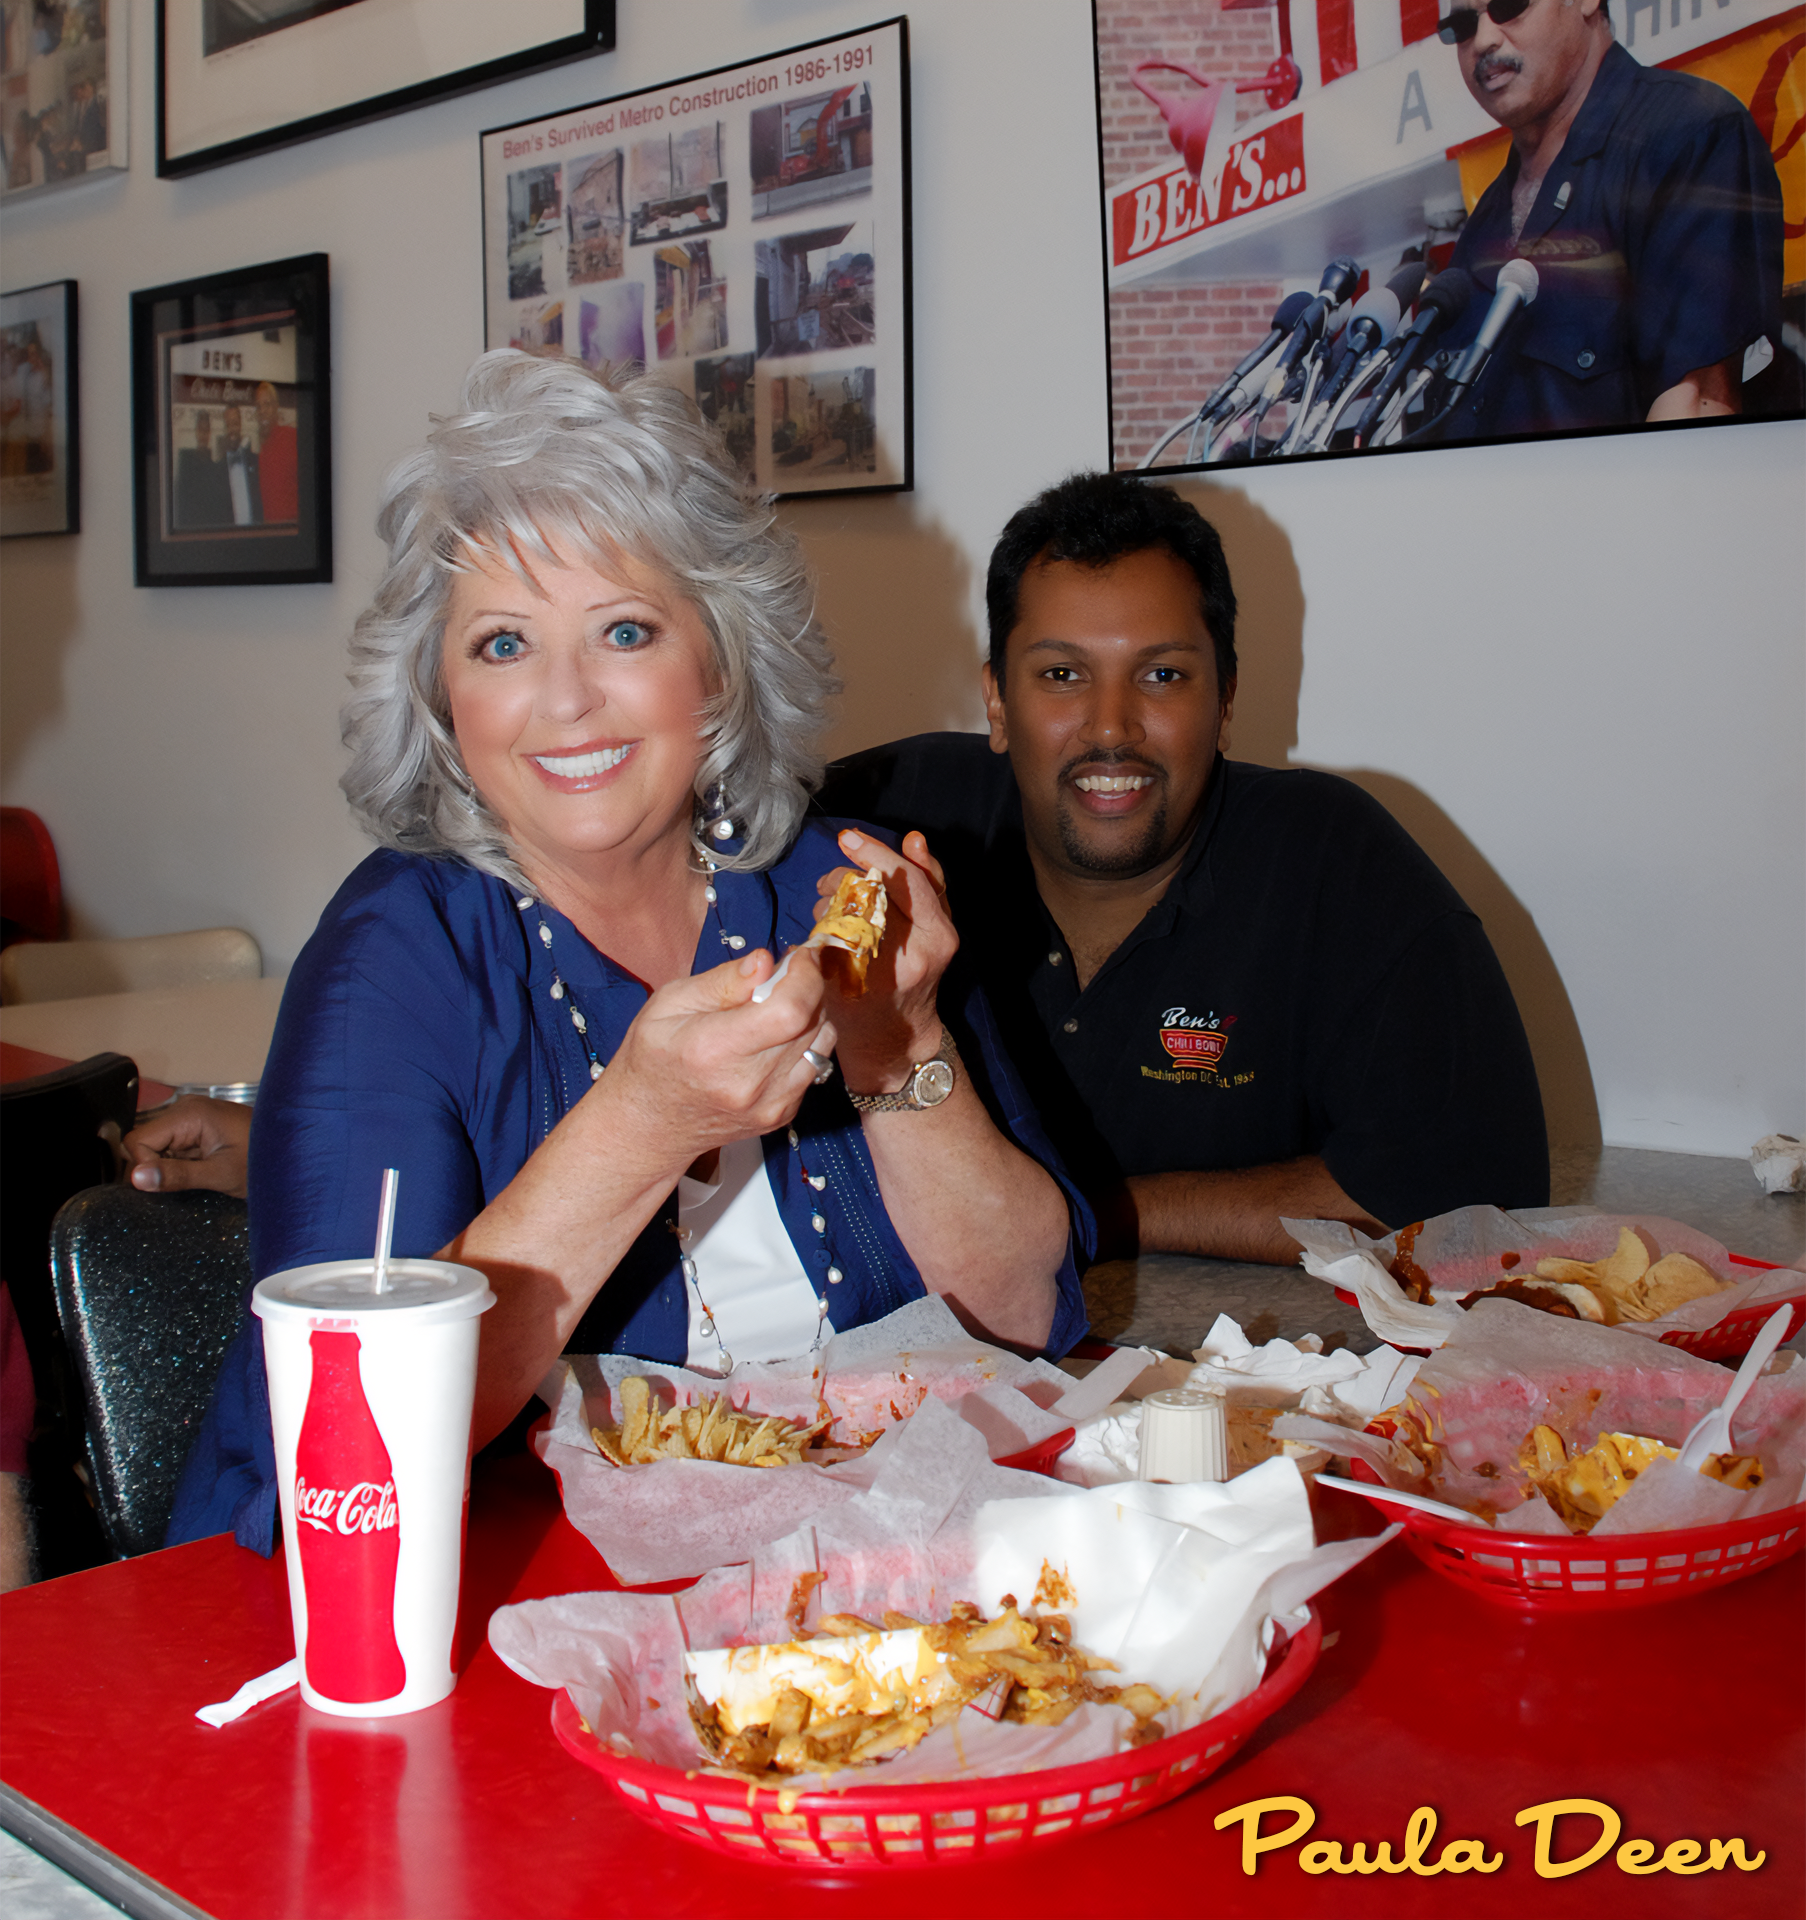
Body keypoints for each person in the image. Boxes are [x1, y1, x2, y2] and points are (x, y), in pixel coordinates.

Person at [167, 351, 1089, 1552]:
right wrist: (641, 1127)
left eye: (625, 629)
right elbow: (351, 1445)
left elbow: (1023, 1315)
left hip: (856, 1571)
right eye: (502, 645)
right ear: (443, 697)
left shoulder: (828, 883)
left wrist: (898, 1043)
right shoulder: (390, 957)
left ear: (718, 667)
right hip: (454, 1615)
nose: (566, 700)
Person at [819, 473, 1549, 1266]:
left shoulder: (1340, 866)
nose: (1110, 727)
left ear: (1226, 699)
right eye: (1061, 674)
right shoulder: (884, 825)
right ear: (996, 701)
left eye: (1163, 674)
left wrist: (1067, 1214)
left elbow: (1476, 1201)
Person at [1435, 0, 1783, 435]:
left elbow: (1699, 405)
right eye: (1462, 26)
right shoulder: (1483, 225)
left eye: (1510, 5)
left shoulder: (1687, 134)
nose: (1483, 40)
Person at [174, 408, 231, 528]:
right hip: (191, 526)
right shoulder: (185, 465)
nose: (203, 434)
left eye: (206, 430)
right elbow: (181, 502)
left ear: (210, 432)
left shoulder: (215, 467)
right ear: (196, 431)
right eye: (201, 429)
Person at [253, 380, 298, 524]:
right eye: (259, 406)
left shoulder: (292, 437)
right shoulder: (261, 451)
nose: (263, 411)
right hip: (271, 533)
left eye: (267, 404)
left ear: (276, 407)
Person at [220, 403, 261, 524]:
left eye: (235, 424)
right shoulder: (218, 469)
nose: (232, 429)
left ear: (241, 425)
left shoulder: (254, 461)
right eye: (228, 425)